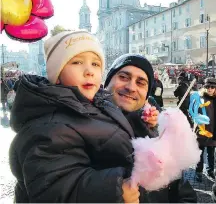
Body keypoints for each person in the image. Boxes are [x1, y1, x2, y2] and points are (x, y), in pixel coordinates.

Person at [9, 31, 141, 203]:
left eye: (95, 64)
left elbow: (117, 135)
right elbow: (56, 188)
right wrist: (114, 191)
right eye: (77, 62)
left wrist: (145, 122)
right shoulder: (49, 126)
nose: (89, 71)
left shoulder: (98, 103)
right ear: (57, 74)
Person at [104, 54, 197, 203]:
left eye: (141, 83)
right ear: (106, 82)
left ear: (147, 95)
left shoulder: (158, 134)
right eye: (123, 77)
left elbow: (183, 194)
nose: (131, 87)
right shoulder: (84, 126)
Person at [195, 78, 216, 182]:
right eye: (207, 87)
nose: (210, 89)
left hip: (214, 130)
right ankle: (198, 172)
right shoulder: (199, 98)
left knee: (211, 153)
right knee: (199, 153)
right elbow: (192, 113)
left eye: (212, 87)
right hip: (201, 131)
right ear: (204, 88)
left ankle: (210, 170)